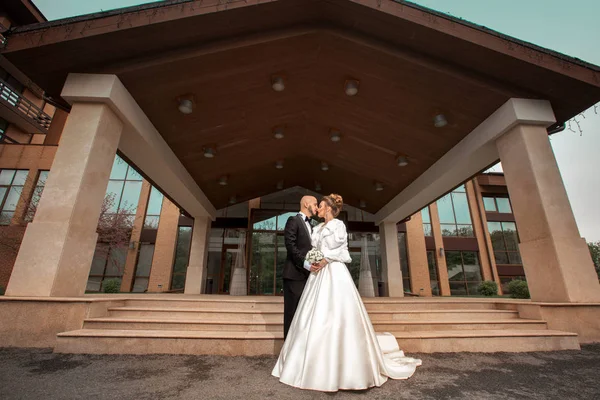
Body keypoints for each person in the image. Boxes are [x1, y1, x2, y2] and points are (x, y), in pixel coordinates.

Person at [273, 194, 421, 392]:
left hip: (334, 273)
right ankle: (306, 361)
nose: (318, 207)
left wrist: (326, 260)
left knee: (336, 315)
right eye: (317, 204)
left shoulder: (338, 226)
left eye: (321, 205)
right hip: (316, 277)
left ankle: (345, 366)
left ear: (328, 208)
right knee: (311, 316)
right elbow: (307, 248)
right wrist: (313, 262)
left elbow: (343, 250)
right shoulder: (316, 228)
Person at [282, 195, 318, 340]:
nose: (316, 207)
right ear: (306, 203)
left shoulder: (313, 226)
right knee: (292, 313)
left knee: (305, 313)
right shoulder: (293, 220)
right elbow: (290, 245)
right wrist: (306, 264)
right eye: (315, 204)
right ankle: (287, 351)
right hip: (294, 275)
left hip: (308, 277)